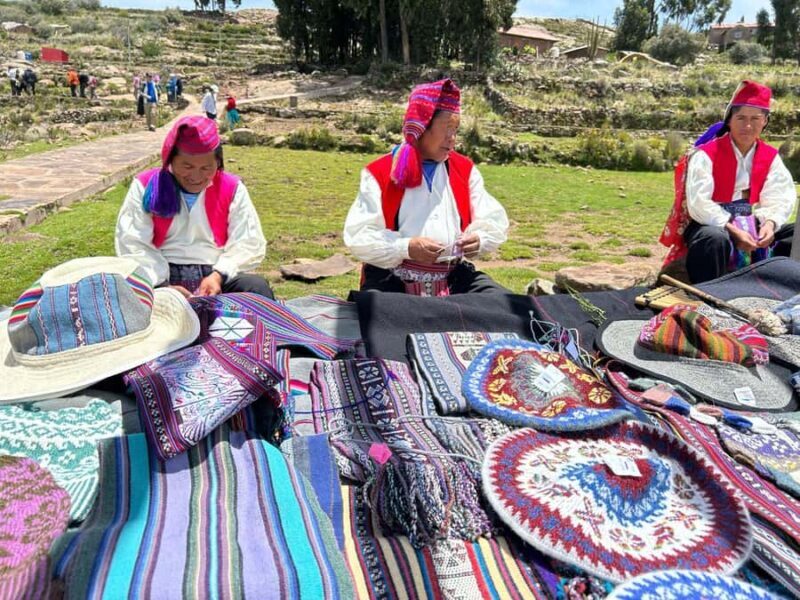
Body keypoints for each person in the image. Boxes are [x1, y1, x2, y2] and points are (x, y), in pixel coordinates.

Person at [343, 78, 509, 295]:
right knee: (382, 318)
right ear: (421, 126)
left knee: (504, 305)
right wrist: (406, 247)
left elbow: (493, 221)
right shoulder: (379, 173)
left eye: (456, 130)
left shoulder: (465, 170)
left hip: (453, 277)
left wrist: (480, 239)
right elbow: (360, 236)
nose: (452, 139)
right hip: (393, 279)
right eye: (447, 128)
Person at [115, 115, 272, 298]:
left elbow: (247, 241)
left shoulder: (232, 188)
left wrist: (218, 276)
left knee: (257, 288)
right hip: (160, 276)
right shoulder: (145, 186)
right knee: (122, 293)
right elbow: (134, 243)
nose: (196, 176)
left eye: (206, 168)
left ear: (218, 163)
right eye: (187, 166)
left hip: (216, 275)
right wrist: (163, 285)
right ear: (170, 160)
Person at [660, 80, 796, 284]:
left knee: (795, 235)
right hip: (711, 222)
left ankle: (780, 289)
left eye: (755, 118)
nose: (748, 125)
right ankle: (708, 295)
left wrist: (770, 223)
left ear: (765, 121)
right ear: (729, 119)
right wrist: (732, 229)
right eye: (740, 117)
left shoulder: (769, 157)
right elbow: (699, 203)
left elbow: (780, 196)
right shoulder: (706, 155)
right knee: (714, 239)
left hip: (750, 221)